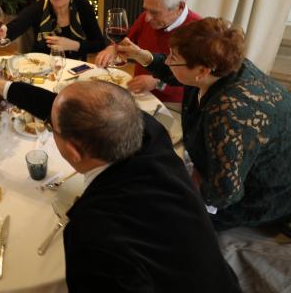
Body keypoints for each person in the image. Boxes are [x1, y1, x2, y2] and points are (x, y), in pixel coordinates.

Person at [0, 54, 241, 292]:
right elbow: (57, 106)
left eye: (51, 127)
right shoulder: (149, 134)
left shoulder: (91, 234)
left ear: (73, 152)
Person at [116, 17, 291, 231]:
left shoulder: (227, 112)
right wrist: (143, 56)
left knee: (155, 213)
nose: (168, 61)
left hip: (263, 194)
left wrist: (195, 181)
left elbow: (224, 194)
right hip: (231, 168)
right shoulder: (223, 65)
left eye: (173, 57)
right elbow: (175, 72)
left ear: (202, 71)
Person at [95, 0, 201, 105]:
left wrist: (158, 83)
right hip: (137, 93)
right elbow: (126, 41)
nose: (147, 18)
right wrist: (113, 48)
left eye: (155, 12)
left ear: (179, 7)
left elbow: (196, 81)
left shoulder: (198, 31)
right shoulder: (147, 18)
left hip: (171, 104)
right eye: (146, 10)